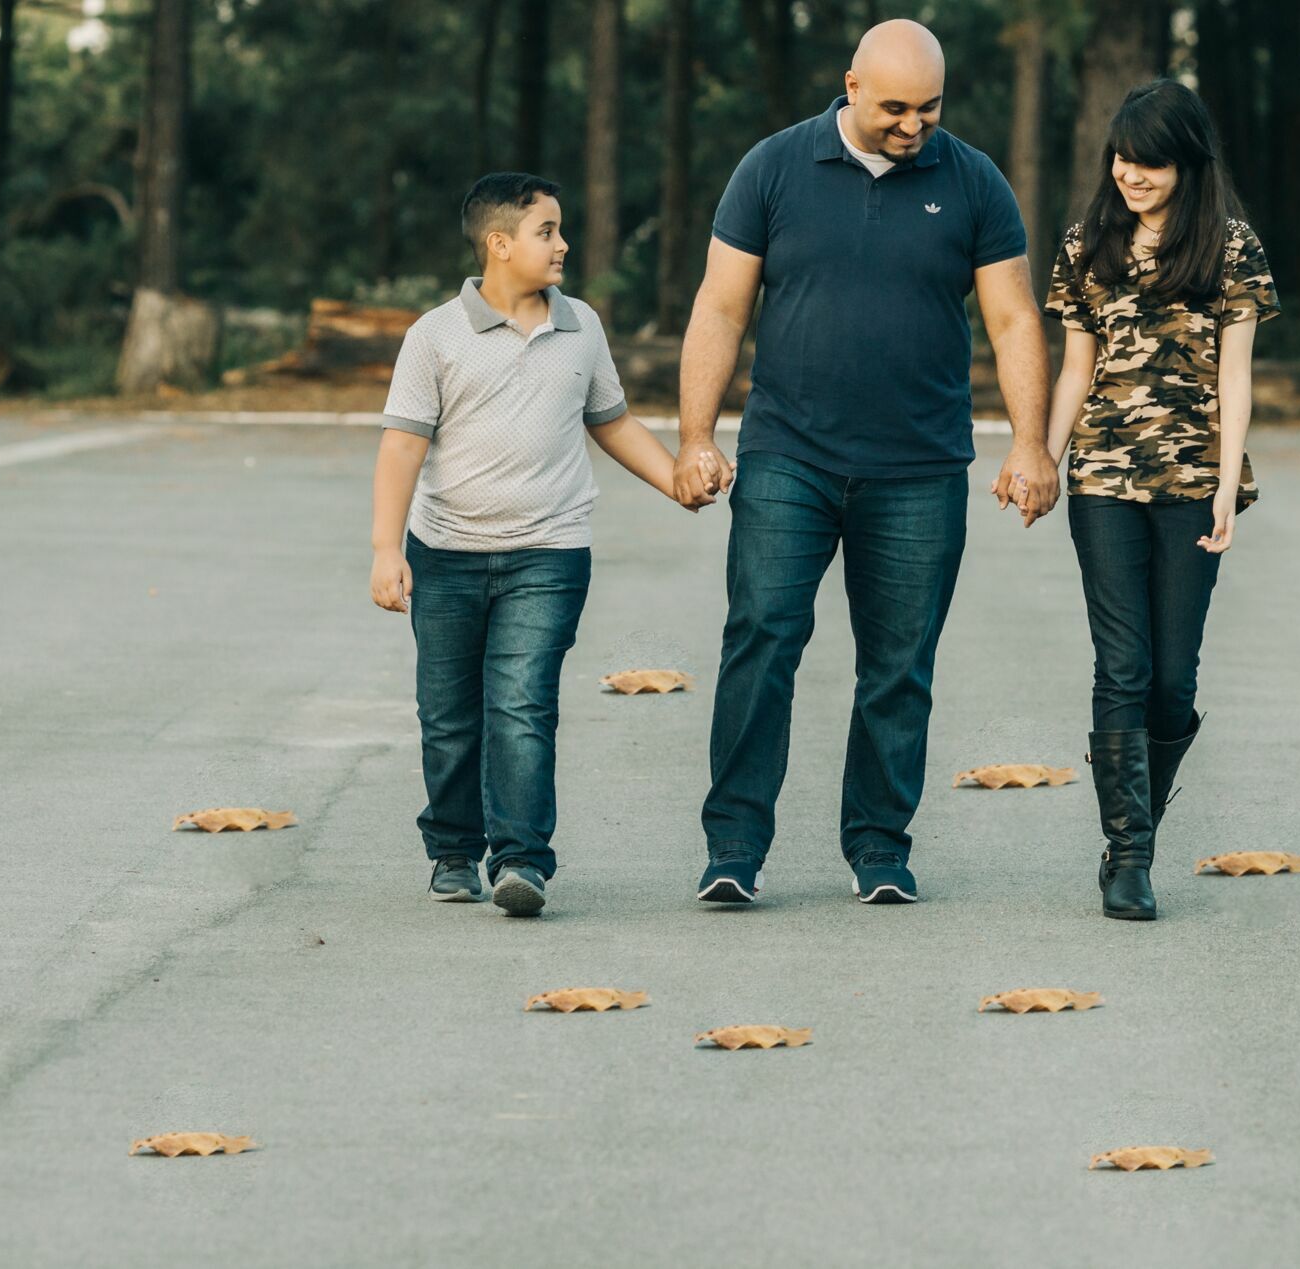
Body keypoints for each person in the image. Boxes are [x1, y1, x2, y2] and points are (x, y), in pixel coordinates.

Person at [676, 19, 1058, 907]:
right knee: (762, 641)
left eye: (929, 108)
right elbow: (721, 308)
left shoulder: (973, 182)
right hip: (788, 456)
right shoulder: (771, 168)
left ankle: (880, 847)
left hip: (920, 467)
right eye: (894, 107)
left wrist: (1031, 444)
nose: (912, 125)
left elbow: (1011, 321)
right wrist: (698, 436)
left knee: (899, 663)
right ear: (851, 85)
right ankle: (733, 847)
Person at [368, 172, 716, 917]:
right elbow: (402, 447)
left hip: (550, 554)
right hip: (447, 552)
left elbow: (612, 422)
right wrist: (385, 549)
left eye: (560, 230)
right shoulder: (435, 335)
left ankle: (521, 858)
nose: (562, 244)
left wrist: (674, 480)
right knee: (450, 713)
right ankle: (454, 850)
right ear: (499, 244)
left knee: (523, 704)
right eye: (547, 231)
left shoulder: (581, 326)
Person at [1041, 80, 1280, 920]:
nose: (1132, 174)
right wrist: (1040, 449)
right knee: (1124, 665)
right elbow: (1076, 367)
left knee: (1173, 681)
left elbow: (1237, 372)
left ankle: (1134, 823)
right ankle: (1130, 855)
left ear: (1188, 163)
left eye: (1151, 161)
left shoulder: (1229, 246)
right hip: (1102, 478)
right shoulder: (1087, 243)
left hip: (1189, 482)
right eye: (1123, 157)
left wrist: (1225, 484)